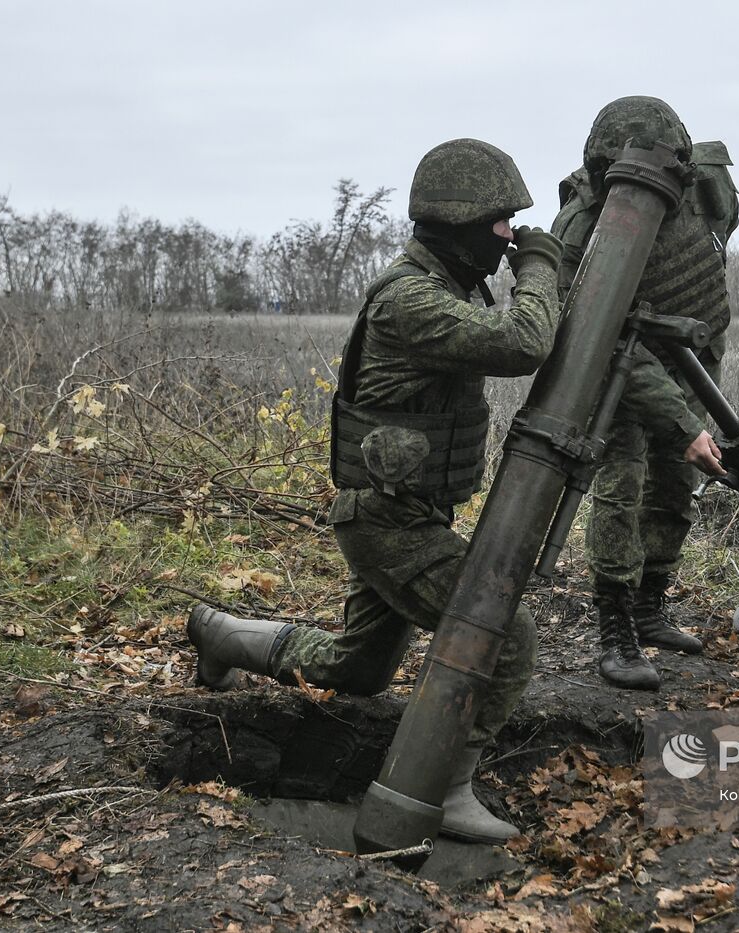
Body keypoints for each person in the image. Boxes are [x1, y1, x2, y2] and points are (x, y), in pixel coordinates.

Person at [186, 138, 564, 844]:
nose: (510, 235)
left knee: (357, 668)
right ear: (458, 225)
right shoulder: (412, 301)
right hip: (388, 522)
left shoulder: (445, 287)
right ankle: (445, 787)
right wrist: (541, 266)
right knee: (505, 636)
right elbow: (524, 343)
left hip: (400, 514)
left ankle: (219, 635)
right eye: (501, 223)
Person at [551, 97, 739, 691]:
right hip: (615, 375)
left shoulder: (708, 195)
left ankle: (651, 608)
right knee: (620, 486)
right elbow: (595, 337)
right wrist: (683, 427)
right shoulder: (583, 226)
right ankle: (616, 630)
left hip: (687, 363)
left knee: (675, 487)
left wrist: (692, 409)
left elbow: (705, 274)